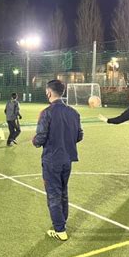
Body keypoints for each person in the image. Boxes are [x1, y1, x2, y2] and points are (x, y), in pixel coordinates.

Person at [33, 80, 83, 241]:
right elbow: (79, 135)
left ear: (48, 92)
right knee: (63, 191)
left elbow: (40, 138)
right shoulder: (74, 112)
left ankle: (60, 229)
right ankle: (62, 222)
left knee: (54, 193)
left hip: (52, 159)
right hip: (67, 159)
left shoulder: (47, 112)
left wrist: (34, 141)